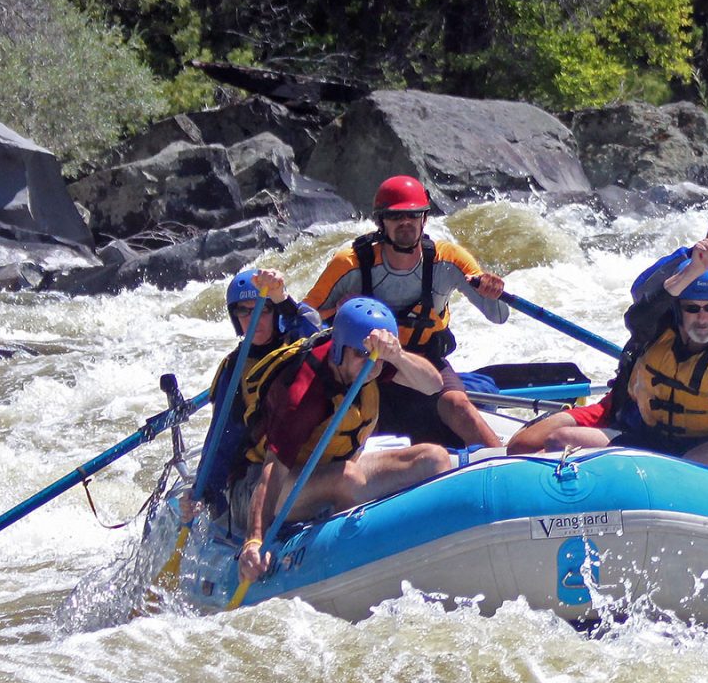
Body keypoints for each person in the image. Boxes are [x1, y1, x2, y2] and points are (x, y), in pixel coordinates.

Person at [506, 240, 708, 506]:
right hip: (656, 439)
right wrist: (691, 269)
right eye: (693, 308)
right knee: (561, 439)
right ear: (679, 312)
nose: (703, 319)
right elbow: (638, 314)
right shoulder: (657, 332)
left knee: (691, 467)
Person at [235, 298, 456, 581]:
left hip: (333, 468)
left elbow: (432, 385)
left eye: (375, 354)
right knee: (349, 478)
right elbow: (272, 472)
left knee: (433, 458)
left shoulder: (370, 361)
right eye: (362, 354)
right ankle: (348, 562)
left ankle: (434, 546)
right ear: (339, 351)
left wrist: (396, 355)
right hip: (268, 488)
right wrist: (254, 540)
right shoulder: (302, 394)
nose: (371, 362)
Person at [303, 175, 509, 449]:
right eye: (395, 216)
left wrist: (493, 292)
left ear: (424, 219)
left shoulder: (448, 261)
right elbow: (303, 322)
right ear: (381, 222)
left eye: (414, 215)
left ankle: (500, 460)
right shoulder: (349, 264)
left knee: (456, 403)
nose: (406, 223)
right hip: (365, 364)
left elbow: (499, 316)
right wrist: (335, 312)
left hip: (424, 362)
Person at [189, 267, 324, 515]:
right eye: (244, 311)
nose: (253, 319)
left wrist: (282, 298)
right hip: (260, 475)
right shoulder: (234, 370)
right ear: (235, 317)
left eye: (263, 309)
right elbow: (221, 439)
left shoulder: (298, 343)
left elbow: (321, 335)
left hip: (307, 460)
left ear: (275, 313)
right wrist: (205, 493)